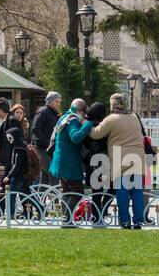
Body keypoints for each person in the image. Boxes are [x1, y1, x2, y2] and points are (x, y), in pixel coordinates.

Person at [89, 93, 146, 230]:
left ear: (112, 104)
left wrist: (85, 124)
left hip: (121, 158)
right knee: (137, 191)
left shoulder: (112, 119)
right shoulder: (134, 117)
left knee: (122, 191)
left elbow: (96, 133)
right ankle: (138, 221)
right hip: (138, 157)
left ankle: (125, 221)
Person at [49, 98, 93, 226]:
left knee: (67, 191)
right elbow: (75, 137)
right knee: (77, 192)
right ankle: (67, 220)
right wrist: (87, 125)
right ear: (80, 111)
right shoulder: (72, 120)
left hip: (60, 161)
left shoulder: (64, 118)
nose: (84, 115)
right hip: (69, 163)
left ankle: (66, 219)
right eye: (84, 112)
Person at [84, 101, 113, 227]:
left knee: (97, 190)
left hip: (91, 161)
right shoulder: (95, 125)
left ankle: (97, 215)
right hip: (100, 160)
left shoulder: (86, 124)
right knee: (111, 187)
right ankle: (101, 211)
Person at [2, 118, 30, 222]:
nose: (9, 140)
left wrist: (8, 176)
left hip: (18, 176)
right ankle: (40, 208)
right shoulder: (22, 144)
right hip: (23, 175)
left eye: (10, 138)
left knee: (11, 194)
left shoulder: (18, 147)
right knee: (29, 195)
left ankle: (10, 214)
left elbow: (17, 165)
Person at [30, 92, 61, 178]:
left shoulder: (54, 112)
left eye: (59, 102)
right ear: (50, 101)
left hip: (48, 149)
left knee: (45, 177)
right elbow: (35, 129)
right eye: (57, 101)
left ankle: (42, 191)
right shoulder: (43, 112)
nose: (58, 104)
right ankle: (53, 192)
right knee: (53, 174)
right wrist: (46, 142)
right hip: (41, 148)